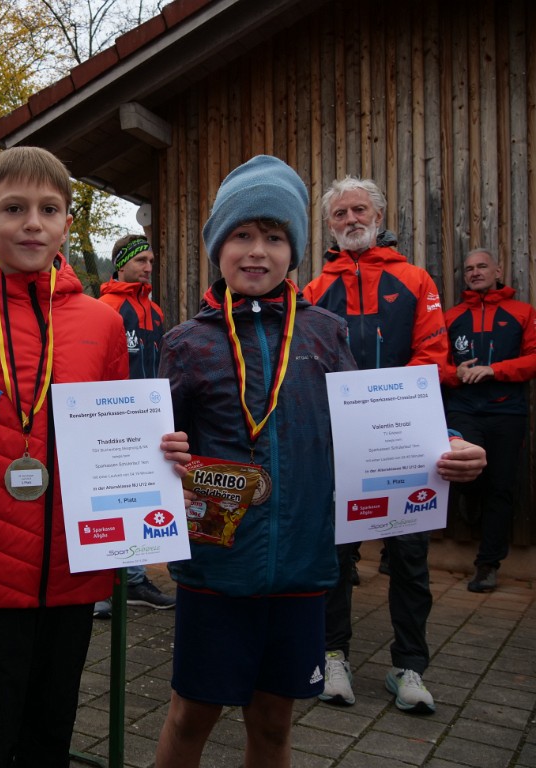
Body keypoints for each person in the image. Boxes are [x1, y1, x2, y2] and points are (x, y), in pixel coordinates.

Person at [0, 146, 189, 768]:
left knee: (47, 742)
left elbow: (117, 436)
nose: (32, 223)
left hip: (71, 578)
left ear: (67, 224)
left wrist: (156, 455)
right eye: (14, 209)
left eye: (48, 209)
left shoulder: (100, 323)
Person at [155, 155, 355, 767]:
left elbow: (370, 422)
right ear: (218, 246)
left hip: (301, 565)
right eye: (241, 234)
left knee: (273, 723)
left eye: (274, 237)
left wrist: (442, 444)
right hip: (217, 569)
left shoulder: (326, 333)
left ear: (293, 251)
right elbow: (154, 445)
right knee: (191, 715)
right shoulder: (186, 343)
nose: (257, 251)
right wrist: (164, 451)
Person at [303, 176, 454, 714]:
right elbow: (306, 365)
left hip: (403, 439)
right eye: (340, 213)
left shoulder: (414, 279)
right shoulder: (313, 290)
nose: (350, 220)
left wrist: (382, 407)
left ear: (379, 216)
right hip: (338, 443)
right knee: (336, 555)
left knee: (409, 556)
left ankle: (409, 666)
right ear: (329, 225)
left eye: (359, 210)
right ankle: (333, 655)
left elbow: (433, 354)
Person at [440, 248, 536, 593]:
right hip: (463, 409)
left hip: (506, 411)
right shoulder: (452, 317)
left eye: (482, 266)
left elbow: (534, 358)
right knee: (465, 472)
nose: (475, 272)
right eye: (469, 269)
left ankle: (487, 565)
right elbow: (434, 363)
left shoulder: (522, 313)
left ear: (498, 270)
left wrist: (495, 370)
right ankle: (470, 494)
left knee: (501, 486)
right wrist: (454, 373)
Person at [92, 234, 174, 618]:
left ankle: (134, 579)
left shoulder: (155, 312)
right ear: (121, 263)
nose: (147, 267)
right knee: (105, 501)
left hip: (148, 420)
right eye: (141, 260)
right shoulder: (104, 309)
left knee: (142, 498)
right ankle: (98, 586)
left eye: (151, 261)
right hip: (109, 421)